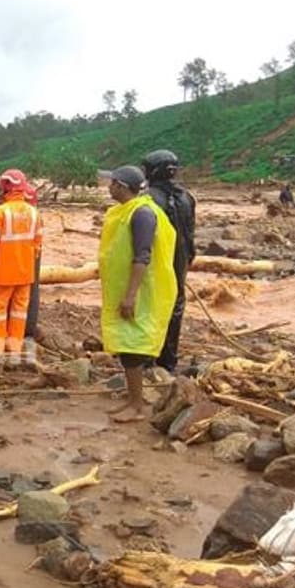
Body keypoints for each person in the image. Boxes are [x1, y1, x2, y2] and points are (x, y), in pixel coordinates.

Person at [99, 165, 178, 423]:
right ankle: (132, 399)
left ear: (121, 186)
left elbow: (142, 256)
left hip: (141, 290)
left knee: (133, 347)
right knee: (126, 346)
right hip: (126, 288)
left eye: (112, 183)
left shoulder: (142, 214)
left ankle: (137, 406)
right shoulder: (126, 211)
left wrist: (131, 295)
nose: (109, 187)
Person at [142, 150, 196, 374]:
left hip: (155, 261)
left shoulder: (147, 199)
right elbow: (191, 232)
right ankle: (168, 360)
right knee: (175, 306)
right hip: (180, 260)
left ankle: (145, 358)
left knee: (148, 306)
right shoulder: (187, 197)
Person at [0, 169, 42, 361]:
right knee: (19, 311)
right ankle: (14, 348)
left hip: (4, 273)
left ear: (7, 187)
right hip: (26, 273)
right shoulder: (34, 213)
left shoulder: (0, 212)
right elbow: (37, 245)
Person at [22, 183, 42, 339]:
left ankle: (22, 327)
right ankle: (29, 326)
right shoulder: (37, 216)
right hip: (34, 252)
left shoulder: (11, 213)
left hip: (19, 256)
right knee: (33, 288)